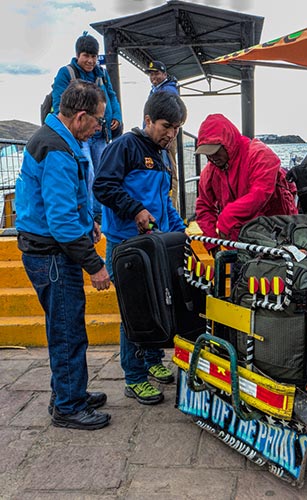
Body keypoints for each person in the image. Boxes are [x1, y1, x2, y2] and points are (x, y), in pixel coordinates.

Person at [15, 80, 112, 430]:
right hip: (52, 256)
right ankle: (70, 406)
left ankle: (70, 391)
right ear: (81, 117)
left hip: (45, 250)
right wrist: (95, 265)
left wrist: (90, 224)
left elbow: (65, 204)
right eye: (98, 120)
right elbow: (61, 222)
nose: (100, 127)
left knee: (64, 327)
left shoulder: (54, 139)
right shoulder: (57, 149)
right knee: (68, 330)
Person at [93, 92, 188, 405]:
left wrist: (181, 233)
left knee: (159, 305)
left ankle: (151, 360)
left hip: (156, 244)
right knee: (134, 312)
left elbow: (163, 204)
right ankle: (133, 377)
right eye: (166, 126)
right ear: (148, 120)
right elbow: (103, 186)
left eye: (177, 128)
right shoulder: (124, 146)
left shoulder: (162, 155)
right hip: (127, 245)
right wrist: (134, 210)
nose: (171, 133)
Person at [194, 113, 298, 246]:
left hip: (277, 233)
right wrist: (211, 241)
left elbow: (259, 194)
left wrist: (227, 216)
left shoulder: (259, 154)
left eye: (216, 151)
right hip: (238, 239)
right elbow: (204, 206)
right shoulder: (209, 172)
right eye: (207, 153)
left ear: (228, 143)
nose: (212, 157)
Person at [51, 32, 123, 224]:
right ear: (77, 55)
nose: (90, 61)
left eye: (93, 56)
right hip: (79, 134)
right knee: (87, 171)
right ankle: (90, 215)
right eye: (86, 56)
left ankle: (100, 213)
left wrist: (116, 116)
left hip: (100, 134)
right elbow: (60, 103)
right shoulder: (66, 73)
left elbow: (112, 96)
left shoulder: (102, 74)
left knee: (102, 171)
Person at [145, 60, 180, 208]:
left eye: (157, 73)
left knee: (169, 170)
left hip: (163, 138)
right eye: (151, 74)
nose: (154, 77)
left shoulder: (168, 91)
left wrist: (167, 133)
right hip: (153, 138)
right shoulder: (155, 91)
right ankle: (166, 207)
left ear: (164, 74)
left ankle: (170, 207)